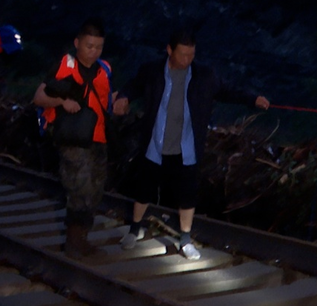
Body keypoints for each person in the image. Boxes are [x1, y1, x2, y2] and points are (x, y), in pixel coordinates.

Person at [113, 28, 270, 260]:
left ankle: (185, 239)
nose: (187, 59)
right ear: (170, 50)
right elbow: (133, 86)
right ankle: (134, 229)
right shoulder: (152, 71)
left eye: (191, 54)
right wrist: (123, 97)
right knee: (144, 189)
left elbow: (228, 91)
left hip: (186, 147)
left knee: (187, 194)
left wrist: (253, 99)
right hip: (156, 144)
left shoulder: (204, 76)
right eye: (183, 54)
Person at [33, 17, 120, 258]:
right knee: (79, 188)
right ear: (77, 43)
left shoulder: (105, 69)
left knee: (95, 189)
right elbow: (39, 97)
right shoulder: (65, 65)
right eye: (89, 46)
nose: (94, 51)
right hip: (72, 138)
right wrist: (62, 101)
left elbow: (105, 101)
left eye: (98, 47)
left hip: (98, 137)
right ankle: (73, 242)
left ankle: (82, 239)